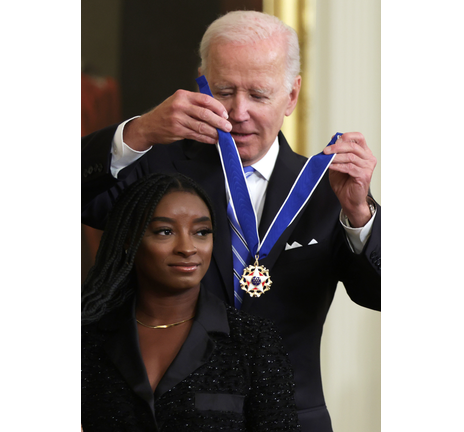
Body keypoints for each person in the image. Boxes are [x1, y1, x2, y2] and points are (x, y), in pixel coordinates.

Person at [81, 10, 380, 431]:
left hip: (293, 419)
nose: (238, 113)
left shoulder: (329, 189)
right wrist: (139, 132)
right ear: (200, 81)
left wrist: (360, 215)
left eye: (258, 95)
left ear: (292, 95)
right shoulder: (156, 170)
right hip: (172, 420)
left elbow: (380, 295)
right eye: (224, 91)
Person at [81, 172, 300, 432]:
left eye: (201, 232)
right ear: (130, 240)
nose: (187, 248)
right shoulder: (88, 337)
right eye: (165, 231)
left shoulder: (253, 341)